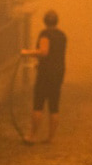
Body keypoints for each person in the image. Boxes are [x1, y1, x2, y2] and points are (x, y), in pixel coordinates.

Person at [20, 9, 67, 144]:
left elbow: (44, 52)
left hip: (45, 74)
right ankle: (50, 137)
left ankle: (32, 136)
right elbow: (56, 54)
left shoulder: (45, 34)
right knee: (54, 106)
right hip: (58, 73)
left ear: (44, 21)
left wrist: (26, 53)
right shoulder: (62, 35)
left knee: (38, 105)